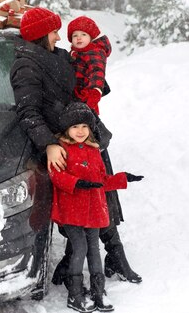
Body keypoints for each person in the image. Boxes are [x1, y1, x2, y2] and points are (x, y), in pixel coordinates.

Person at [9, 7, 142, 289]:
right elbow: (28, 111)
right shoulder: (26, 66)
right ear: (42, 35)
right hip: (63, 142)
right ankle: (75, 262)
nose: (60, 36)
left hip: (82, 133)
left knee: (102, 192)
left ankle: (114, 256)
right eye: (54, 31)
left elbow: (84, 76)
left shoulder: (55, 55)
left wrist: (94, 80)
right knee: (81, 198)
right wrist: (49, 145)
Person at [49, 102, 143, 312]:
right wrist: (77, 183)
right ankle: (75, 294)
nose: (80, 131)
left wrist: (123, 178)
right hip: (72, 211)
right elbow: (56, 176)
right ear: (67, 130)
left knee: (94, 250)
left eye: (84, 126)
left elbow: (102, 180)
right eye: (75, 127)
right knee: (79, 248)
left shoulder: (94, 151)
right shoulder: (61, 150)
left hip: (94, 212)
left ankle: (98, 292)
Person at [67, 16, 111, 115]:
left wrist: (95, 92)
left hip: (87, 98)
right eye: (75, 35)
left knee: (87, 123)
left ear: (91, 38)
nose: (79, 38)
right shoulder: (74, 53)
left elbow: (97, 71)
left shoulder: (95, 52)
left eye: (83, 34)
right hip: (73, 97)